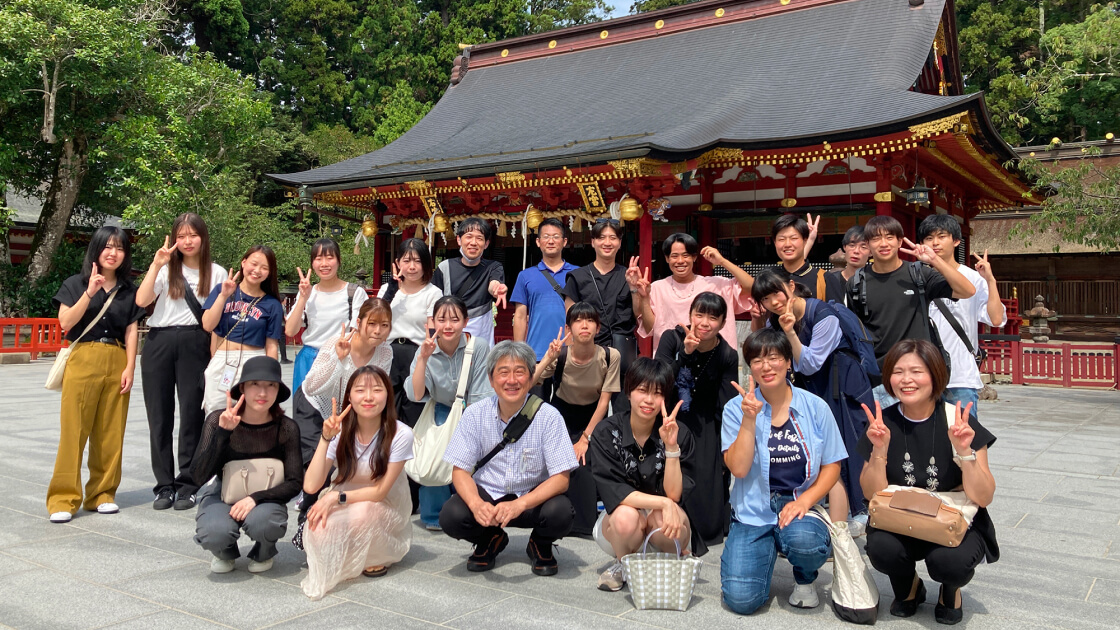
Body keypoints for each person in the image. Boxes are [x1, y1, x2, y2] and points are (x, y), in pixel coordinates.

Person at [858, 339, 998, 625]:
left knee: (950, 564)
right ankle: (910, 588)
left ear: (935, 374)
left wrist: (964, 452)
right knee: (881, 548)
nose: (906, 380)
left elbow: (983, 497)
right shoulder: (882, 423)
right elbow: (870, 491)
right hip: (900, 519)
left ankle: (951, 590)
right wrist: (880, 450)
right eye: (898, 371)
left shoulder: (958, 421)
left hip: (950, 521)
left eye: (916, 371)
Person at [720, 328, 847, 614]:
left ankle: (805, 578)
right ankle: (762, 554)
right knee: (741, 600)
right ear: (749, 367)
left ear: (789, 362)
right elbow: (738, 469)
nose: (766, 366)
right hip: (753, 512)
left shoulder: (815, 407)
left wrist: (804, 500)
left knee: (806, 542)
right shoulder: (735, 409)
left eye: (774, 357)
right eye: (757, 360)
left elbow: (832, 465)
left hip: (799, 506)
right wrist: (749, 420)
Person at [439, 341, 579, 576]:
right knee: (452, 515)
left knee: (561, 512)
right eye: (503, 372)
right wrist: (476, 505)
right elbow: (460, 470)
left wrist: (520, 504)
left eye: (519, 372)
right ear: (491, 380)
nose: (511, 380)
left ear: (530, 377)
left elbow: (561, 479)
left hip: (531, 500)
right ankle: (489, 539)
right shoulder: (475, 414)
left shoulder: (549, 417)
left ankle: (540, 544)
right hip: (489, 496)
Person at [751, 269, 873, 528]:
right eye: (765, 299)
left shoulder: (822, 315)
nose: (774, 302)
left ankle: (860, 512)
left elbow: (810, 364)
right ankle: (830, 512)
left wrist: (791, 333)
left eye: (776, 293)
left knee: (848, 446)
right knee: (820, 448)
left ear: (791, 286)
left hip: (842, 385)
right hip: (813, 389)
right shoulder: (774, 322)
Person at [48, 226, 147, 523]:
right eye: (108, 246)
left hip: (116, 357)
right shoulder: (75, 283)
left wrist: (130, 366)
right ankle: (63, 499)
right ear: (97, 249)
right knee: (73, 430)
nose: (113, 252)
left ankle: (102, 494)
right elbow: (65, 323)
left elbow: (132, 330)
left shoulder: (129, 290)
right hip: (83, 357)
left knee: (111, 431)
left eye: (119, 247)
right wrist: (90, 291)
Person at [135, 213, 228, 511]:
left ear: (203, 237)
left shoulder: (217, 272)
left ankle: (188, 483)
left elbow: (221, 317)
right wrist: (156, 264)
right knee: (159, 415)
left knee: (192, 413)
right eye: (182, 236)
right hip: (159, 340)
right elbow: (141, 300)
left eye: (193, 235)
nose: (187, 241)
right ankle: (163, 485)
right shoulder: (165, 270)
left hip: (195, 342)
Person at [300, 366, 414, 599]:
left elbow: (380, 492)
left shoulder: (400, 434)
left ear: (388, 396)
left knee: (364, 514)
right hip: (344, 500)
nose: (369, 397)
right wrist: (325, 438)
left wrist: (335, 497)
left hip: (384, 504)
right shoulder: (340, 431)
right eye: (360, 390)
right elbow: (311, 486)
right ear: (349, 396)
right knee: (317, 529)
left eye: (377, 390)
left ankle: (376, 554)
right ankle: (354, 552)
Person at [589, 358, 701, 592]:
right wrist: (662, 502)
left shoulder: (679, 433)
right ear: (628, 392)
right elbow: (615, 492)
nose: (649, 400)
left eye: (658, 393)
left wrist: (671, 448)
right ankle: (623, 563)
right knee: (625, 517)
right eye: (642, 390)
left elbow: (674, 494)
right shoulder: (606, 432)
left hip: (663, 525)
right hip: (620, 528)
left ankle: (670, 559)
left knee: (665, 518)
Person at [845, 215, 976, 407]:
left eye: (890, 237)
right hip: (879, 379)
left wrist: (934, 260)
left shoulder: (919, 274)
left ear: (899, 241)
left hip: (920, 374)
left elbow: (967, 291)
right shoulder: (857, 283)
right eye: (876, 238)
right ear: (868, 245)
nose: (883, 243)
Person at [191, 356, 303, 574]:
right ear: (242, 387)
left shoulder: (287, 427)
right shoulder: (217, 419)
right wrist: (223, 433)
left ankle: (264, 551)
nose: (263, 393)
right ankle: (224, 551)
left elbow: (295, 482)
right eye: (255, 384)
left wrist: (255, 498)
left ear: (278, 391)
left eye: (271, 385)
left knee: (266, 523)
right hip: (224, 492)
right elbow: (197, 476)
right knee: (214, 532)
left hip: (267, 496)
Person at [654, 292, 739, 545]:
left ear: (723, 323)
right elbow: (659, 380)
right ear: (690, 315)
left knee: (706, 474)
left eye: (713, 317)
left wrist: (725, 444)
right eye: (699, 314)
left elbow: (726, 402)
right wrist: (685, 353)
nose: (704, 322)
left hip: (705, 419)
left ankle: (703, 530)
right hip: (670, 416)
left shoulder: (727, 354)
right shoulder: (672, 338)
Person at [531, 302, 620, 536]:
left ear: (598, 328)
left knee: (584, 460)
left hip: (591, 417)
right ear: (569, 327)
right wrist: (547, 358)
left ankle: (581, 524)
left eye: (590, 320)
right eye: (578, 321)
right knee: (559, 463)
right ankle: (550, 515)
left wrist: (585, 438)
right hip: (560, 415)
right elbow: (529, 384)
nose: (584, 325)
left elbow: (604, 402)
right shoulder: (560, 354)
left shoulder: (610, 356)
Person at [405, 296, 494, 529]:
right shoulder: (425, 348)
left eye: (454, 319)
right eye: (441, 319)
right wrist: (423, 358)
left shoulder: (479, 347)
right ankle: (434, 514)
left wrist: (467, 426)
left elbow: (481, 393)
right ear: (432, 321)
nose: (447, 325)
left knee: (469, 457)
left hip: (473, 410)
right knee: (434, 456)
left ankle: (467, 508)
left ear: (465, 321)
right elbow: (416, 394)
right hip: (440, 408)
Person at [918, 215, 1006, 413]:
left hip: (960, 375)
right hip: (922, 373)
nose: (935, 242)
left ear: (956, 241)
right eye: (929, 238)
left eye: (942, 236)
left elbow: (996, 319)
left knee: (964, 440)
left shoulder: (973, 278)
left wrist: (990, 281)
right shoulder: (915, 278)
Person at [296, 299, 394, 465]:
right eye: (372, 323)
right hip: (315, 407)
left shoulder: (385, 352)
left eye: (384, 325)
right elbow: (313, 387)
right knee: (315, 464)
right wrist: (339, 359)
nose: (378, 331)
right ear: (358, 322)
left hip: (347, 414)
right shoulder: (336, 343)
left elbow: (376, 391)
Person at [630, 232, 755, 353]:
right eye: (674, 256)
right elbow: (649, 329)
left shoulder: (717, 284)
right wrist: (644, 297)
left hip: (714, 358)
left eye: (686, 255)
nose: (680, 261)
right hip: (671, 361)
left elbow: (752, 287)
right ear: (667, 259)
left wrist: (722, 261)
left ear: (694, 257)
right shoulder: (657, 288)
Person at [201, 245, 286, 413]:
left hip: (254, 361)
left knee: (251, 416)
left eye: (264, 268)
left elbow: (271, 345)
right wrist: (224, 295)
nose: (257, 270)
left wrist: (272, 378)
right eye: (253, 264)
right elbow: (208, 325)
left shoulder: (272, 304)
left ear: (270, 272)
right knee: (215, 412)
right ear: (243, 262)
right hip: (222, 360)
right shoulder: (221, 290)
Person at [563, 219, 637, 411]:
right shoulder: (577, 277)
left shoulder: (628, 276)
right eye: (602, 237)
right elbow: (571, 323)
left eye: (613, 237)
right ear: (593, 242)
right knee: (587, 413)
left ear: (620, 242)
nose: (607, 242)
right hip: (590, 355)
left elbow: (639, 317)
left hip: (622, 356)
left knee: (624, 414)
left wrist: (636, 289)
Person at [284, 238, 368, 393]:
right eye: (318, 258)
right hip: (309, 359)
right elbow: (290, 331)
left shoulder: (354, 293)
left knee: (339, 412)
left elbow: (360, 333)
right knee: (305, 413)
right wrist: (303, 297)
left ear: (339, 260)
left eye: (330, 258)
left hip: (340, 358)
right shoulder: (308, 293)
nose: (324, 264)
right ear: (312, 263)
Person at [377, 238, 442, 427]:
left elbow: (432, 328)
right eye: (406, 261)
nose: (412, 267)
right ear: (397, 263)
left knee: (414, 409)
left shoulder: (433, 293)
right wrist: (391, 291)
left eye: (418, 261)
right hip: (387, 353)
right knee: (387, 410)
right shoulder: (386, 290)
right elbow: (374, 316)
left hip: (417, 355)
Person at [431, 217, 508, 347]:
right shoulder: (445, 267)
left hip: (481, 335)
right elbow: (433, 302)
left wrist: (497, 288)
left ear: (486, 244)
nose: (473, 242)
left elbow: (493, 284)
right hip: (450, 330)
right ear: (459, 240)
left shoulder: (493, 267)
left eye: (479, 238)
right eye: (469, 237)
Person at [512, 218, 579, 363]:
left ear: (564, 241)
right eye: (546, 237)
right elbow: (520, 316)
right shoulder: (525, 276)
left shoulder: (578, 273)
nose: (551, 241)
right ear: (538, 242)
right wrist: (518, 352)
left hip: (570, 351)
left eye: (556, 237)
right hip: (536, 352)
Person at [771, 213, 824, 298]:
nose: (787, 244)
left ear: (805, 240)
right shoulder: (770, 278)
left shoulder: (824, 279)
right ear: (775, 243)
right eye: (781, 239)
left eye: (794, 238)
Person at [822, 225, 870, 305]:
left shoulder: (874, 282)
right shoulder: (831, 280)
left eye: (863, 247)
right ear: (844, 247)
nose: (856, 251)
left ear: (871, 252)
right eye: (852, 245)